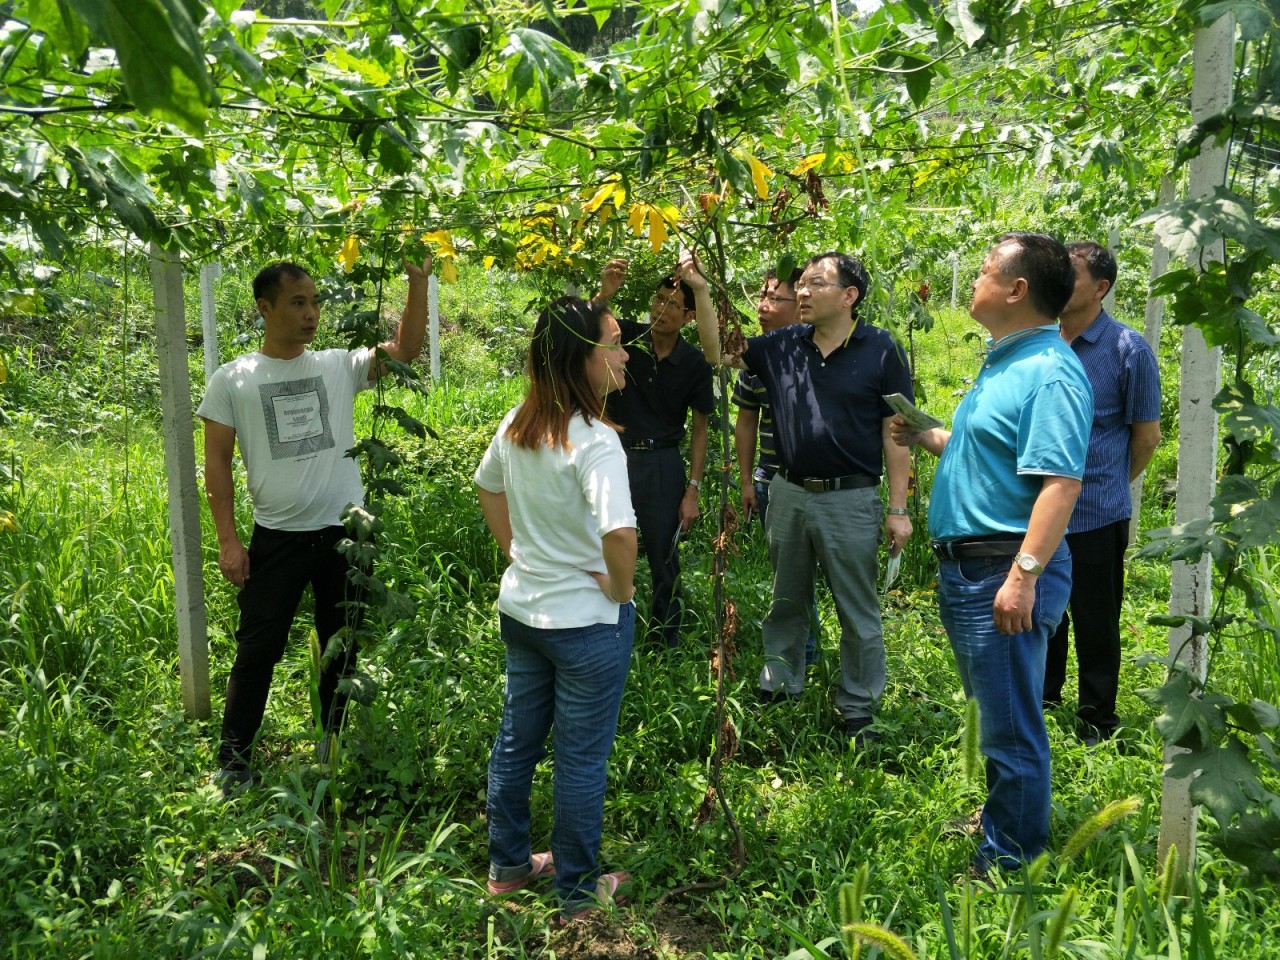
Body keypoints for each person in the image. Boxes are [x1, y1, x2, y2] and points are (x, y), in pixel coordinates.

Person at [892, 233, 1093, 874]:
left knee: (1010, 725)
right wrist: (927, 433)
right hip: (974, 567)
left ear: (1017, 289)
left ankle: (1012, 859)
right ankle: (1004, 819)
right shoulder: (1006, 362)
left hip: (1001, 568)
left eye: (983, 271)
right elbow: (988, 454)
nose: (974, 280)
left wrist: (1024, 575)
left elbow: (1061, 484)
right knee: (996, 709)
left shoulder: (1049, 372)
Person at [199, 255, 431, 796]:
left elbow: (404, 350)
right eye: (298, 303)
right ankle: (234, 760)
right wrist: (228, 540)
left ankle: (334, 741)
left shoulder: (336, 366)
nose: (311, 314)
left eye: (315, 302)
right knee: (258, 649)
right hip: (276, 537)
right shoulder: (233, 380)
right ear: (265, 308)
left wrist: (417, 283)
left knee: (341, 642)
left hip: (346, 535)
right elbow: (216, 464)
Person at [474, 296, 637, 919]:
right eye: (613, 344)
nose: (624, 355)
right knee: (580, 759)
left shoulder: (519, 423)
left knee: (517, 741)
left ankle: (509, 866)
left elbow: (488, 486)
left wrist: (516, 552)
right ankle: (577, 891)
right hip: (585, 624)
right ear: (581, 357)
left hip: (524, 612)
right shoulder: (595, 441)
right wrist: (620, 591)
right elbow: (619, 535)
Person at [709, 251, 913, 745]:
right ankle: (781, 684)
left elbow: (896, 433)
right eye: (800, 283)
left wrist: (898, 508)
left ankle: (859, 706)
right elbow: (719, 353)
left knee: (857, 608)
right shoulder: (782, 345)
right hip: (789, 492)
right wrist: (698, 289)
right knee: (786, 599)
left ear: (849, 296)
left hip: (851, 498)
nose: (801, 291)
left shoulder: (881, 349)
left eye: (816, 283)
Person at [1046, 241, 1162, 745]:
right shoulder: (1041, 341)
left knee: (1096, 620)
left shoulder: (1126, 349)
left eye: (1069, 275)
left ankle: (1096, 720)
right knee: (1043, 614)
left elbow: (1146, 437)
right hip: (1039, 510)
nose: (1058, 282)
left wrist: (1109, 481)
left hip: (1096, 512)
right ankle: (1044, 705)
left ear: (1100, 288)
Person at [594, 257, 714, 649]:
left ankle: (665, 641)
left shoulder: (695, 362)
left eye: (673, 304)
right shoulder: (627, 337)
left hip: (662, 463)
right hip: (614, 454)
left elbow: (700, 427)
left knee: (664, 554)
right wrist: (604, 294)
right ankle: (602, 629)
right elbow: (583, 331)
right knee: (602, 543)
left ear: (689, 317)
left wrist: (693, 489)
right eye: (659, 299)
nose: (661, 309)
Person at [731, 267, 819, 665]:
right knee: (788, 575)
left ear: (799, 304)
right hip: (772, 481)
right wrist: (747, 480)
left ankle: (819, 652)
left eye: (773, 298)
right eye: (761, 297)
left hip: (823, 484)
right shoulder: (756, 358)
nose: (762, 307)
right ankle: (803, 653)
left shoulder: (821, 353)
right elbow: (746, 420)